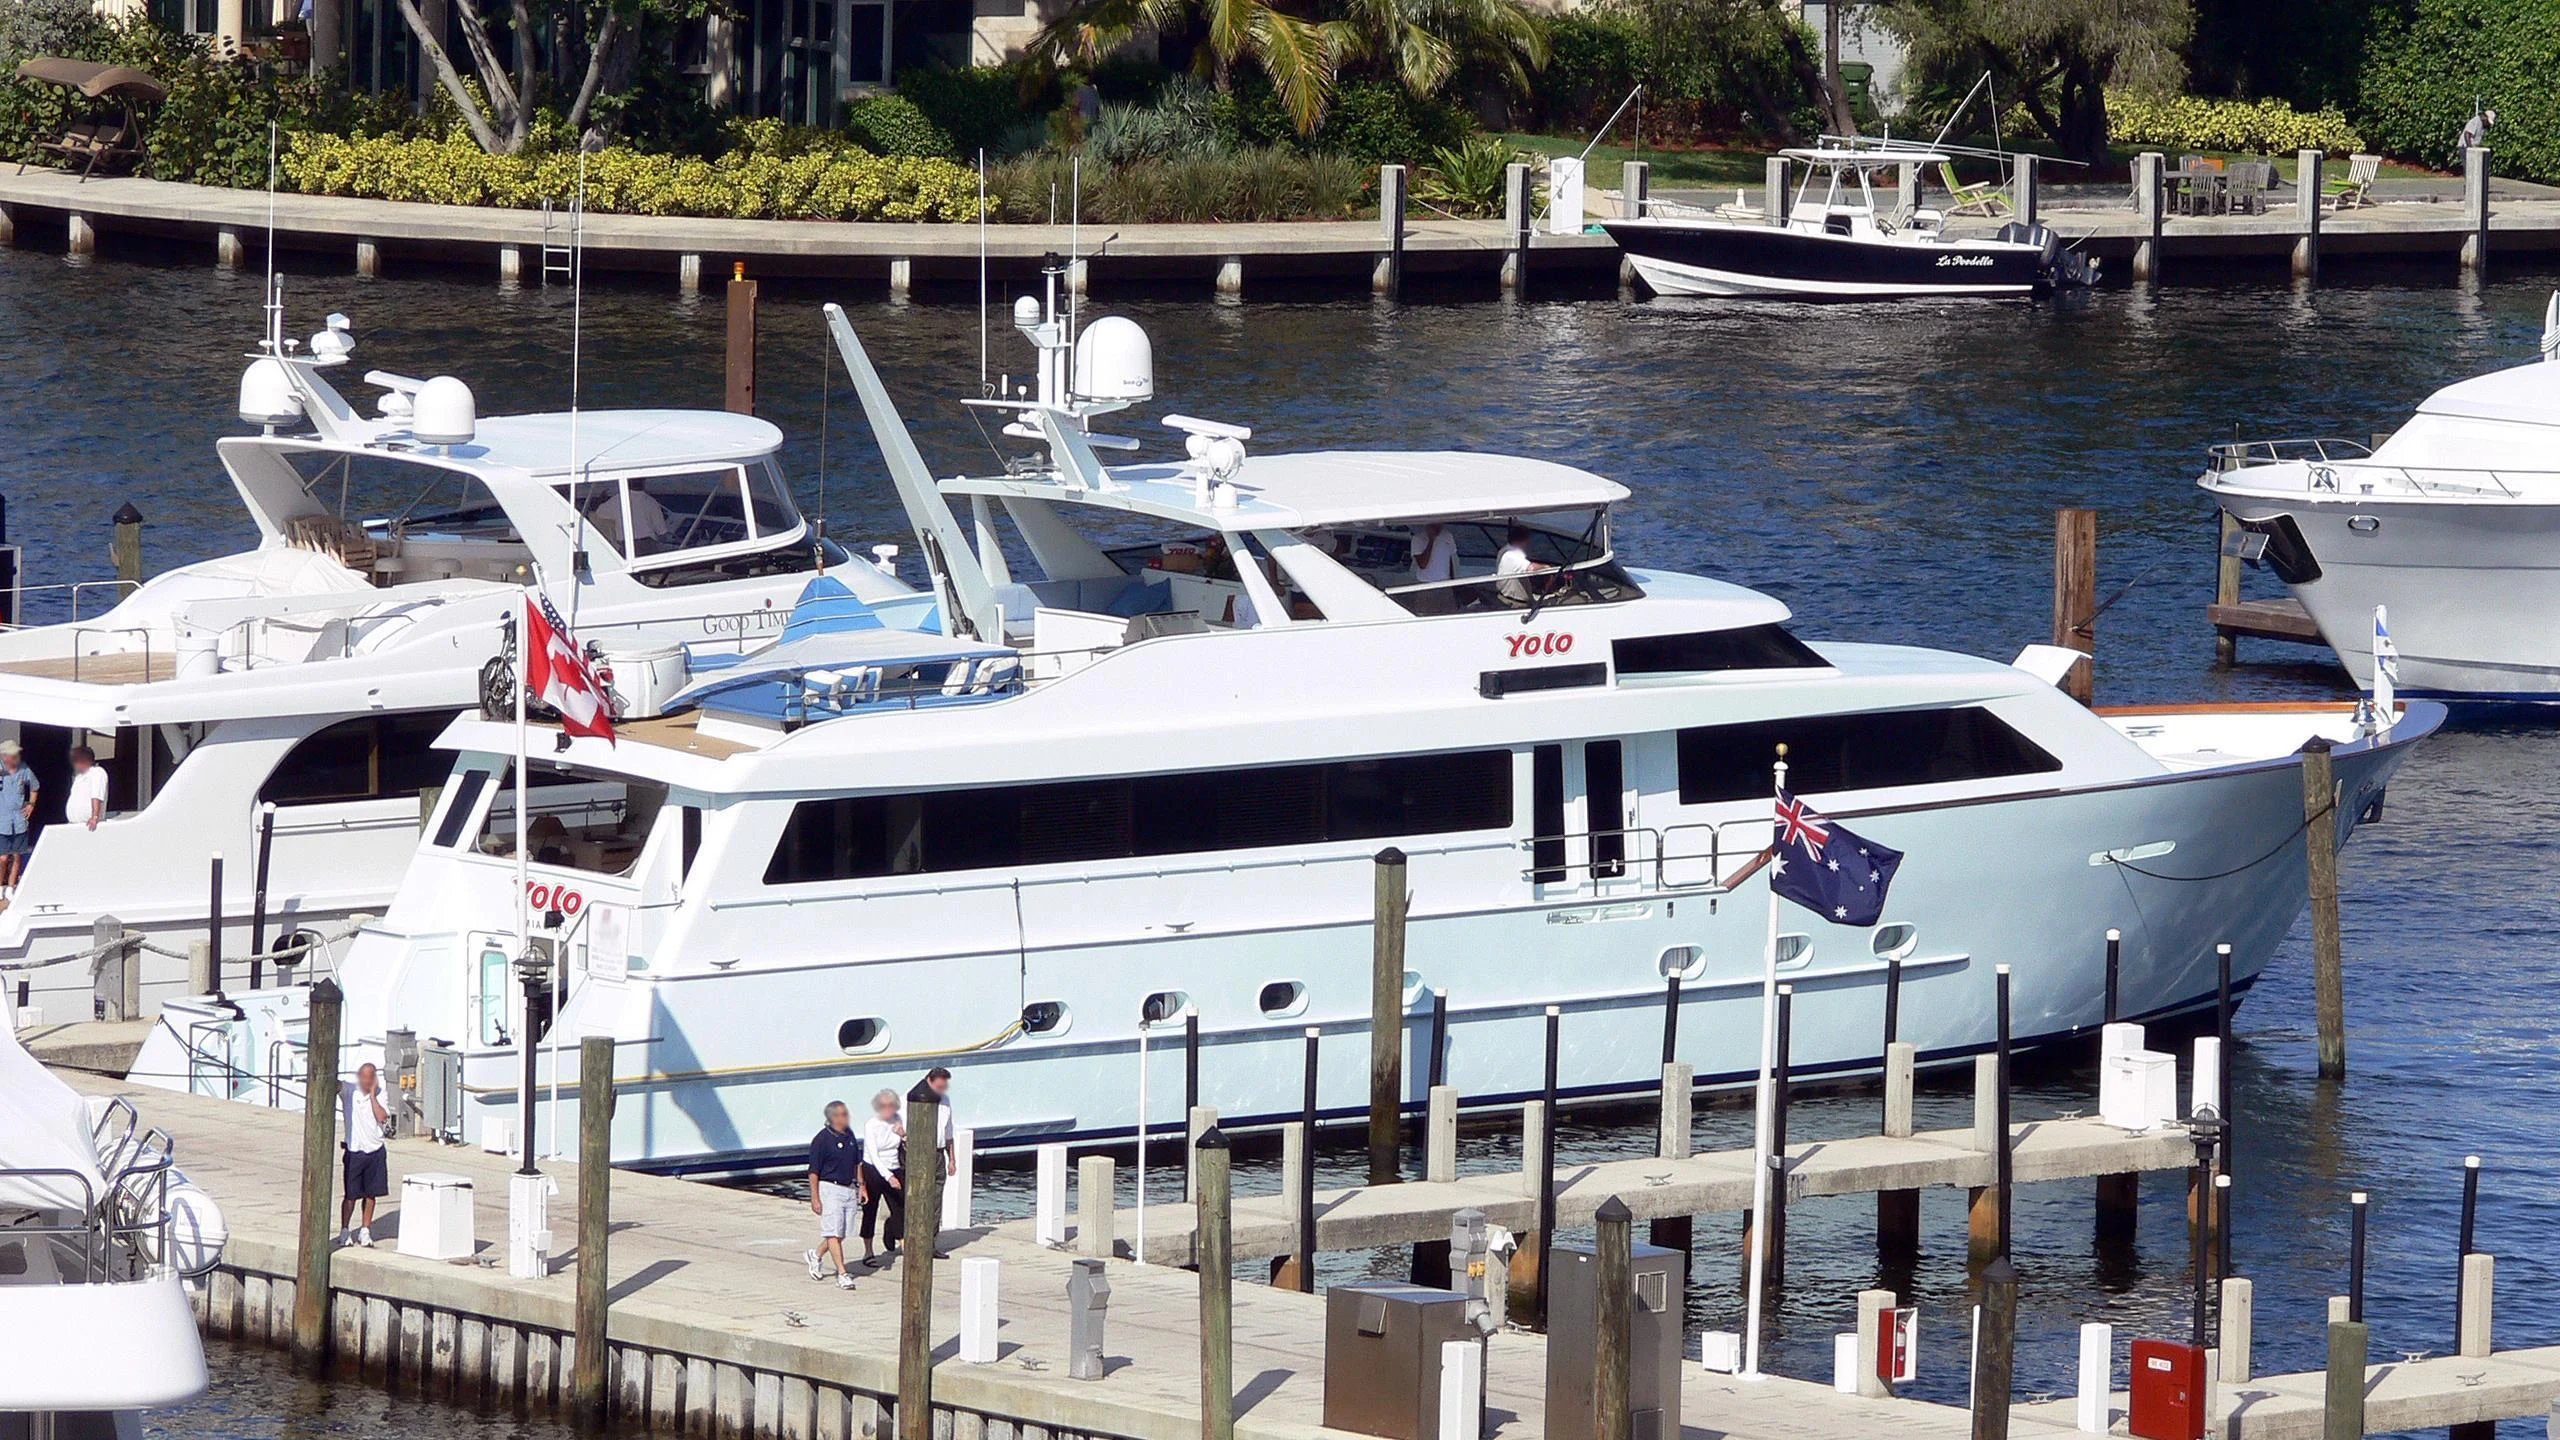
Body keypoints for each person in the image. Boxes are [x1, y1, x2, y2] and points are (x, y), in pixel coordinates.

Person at [803, 1100, 864, 1290]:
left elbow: (857, 1163)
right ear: (832, 1118)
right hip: (830, 1187)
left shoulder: (850, 1135)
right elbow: (813, 1171)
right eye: (842, 1114)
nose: (846, 1118)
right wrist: (815, 1198)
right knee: (833, 1231)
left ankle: (816, 1254)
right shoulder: (822, 1139)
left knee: (842, 1232)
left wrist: (861, 1186)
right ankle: (842, 1273)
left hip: (848, 1187)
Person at [338, 1063, 391, 1247]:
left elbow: (382, 1117)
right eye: (365, 1077)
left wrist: (373, 1095)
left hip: (375, 1149)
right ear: (360, 1077)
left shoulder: (381, 1093)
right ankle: (345, 1229)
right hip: (355, 1150)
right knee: (351, 1195)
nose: (368, 1081)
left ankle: (365, 1230)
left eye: (371, 1077)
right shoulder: (349, 1090)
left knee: (371, 1194)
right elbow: (335, 1086)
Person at [857, 1088, 906, 1268]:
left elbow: (904, 1145)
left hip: (894, 1166)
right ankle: (868, 1251)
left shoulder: (897, 1120)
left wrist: (903, 1135)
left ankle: (903, 1244)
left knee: (900, 1206)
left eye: (892, 1106)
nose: (888, 1110)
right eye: (884, 1106)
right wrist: (888, 1177)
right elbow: (873, 1155)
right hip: (874, 1170)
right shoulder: (871, 1125)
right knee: (870, 1209)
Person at [0, 740, 39, 904]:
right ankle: (1, 886)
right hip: (2, 820)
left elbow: (35, 787)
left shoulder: (24, 769)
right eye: (12, 754)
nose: (16, 757)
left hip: (19, 820)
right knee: (2, 858)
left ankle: (10, 887)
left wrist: (31, 804)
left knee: (16, 855)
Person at [1409, 523, 1458, 614]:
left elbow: (1449, 560)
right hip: (1426, 586)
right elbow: (1423, 564)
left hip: (1445, 585)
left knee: (1449, 617)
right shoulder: (1418, 539)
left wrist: (1452, 583)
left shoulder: (1447, 535)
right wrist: (1431, 540)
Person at [1495, 523, 1547, 605]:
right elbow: (1531, 568)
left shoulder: (1503, 550)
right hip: (1515, 604)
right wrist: (1547, 567)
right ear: (1523, 540)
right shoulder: (1513, 554)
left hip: (1504, 599)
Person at [64, 746, 106, 832]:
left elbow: (96, 795)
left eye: (76, 760)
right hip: (74, 825)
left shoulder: (97, 772)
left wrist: (95, 817)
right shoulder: (78, 777)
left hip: (89, 826)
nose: (74, 763)